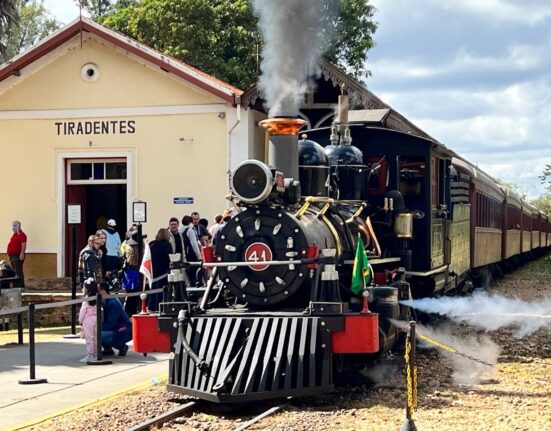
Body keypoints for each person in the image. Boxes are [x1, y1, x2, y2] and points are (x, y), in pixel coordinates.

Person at [99, 282, 132, 356]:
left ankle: (122, 347)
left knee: (99, 334)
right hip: (118, 328)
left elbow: (110, 324)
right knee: (97, 332)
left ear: (102, 292)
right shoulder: (107, 302)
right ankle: (108, 349)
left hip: (124, 330)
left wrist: (97, 328)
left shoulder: (112, 303)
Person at [148, 228, 172, 311]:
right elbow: (169, 257)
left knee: (152, 288)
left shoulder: (152, 244)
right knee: (161, 289)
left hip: (152, 269)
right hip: (163, 269)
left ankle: (151, 306)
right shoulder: (167, 245)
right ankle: (159, 306)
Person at [121, 228, 140, 316]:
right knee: (132, 296)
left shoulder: (126, 245)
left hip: (130, 273)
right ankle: (129, 313)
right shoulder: (132, 247)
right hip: (132, 273)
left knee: (131, 296)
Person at [79, 278, 98, 363]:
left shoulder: (86, 299)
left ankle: (90, 354)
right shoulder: (98, 297)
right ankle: (97, 353)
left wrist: (80, 320)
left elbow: (83, 311)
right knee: (96, 337)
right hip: (96, 318)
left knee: (89, 338)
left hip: (87, 320)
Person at [182, 215, 202, 286]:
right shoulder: (190, 230)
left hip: (185, 254)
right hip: (191, 254)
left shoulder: (181, 230)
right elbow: (194, 244)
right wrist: (199, 256)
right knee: (195, 272)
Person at [7, 220, 27, 287]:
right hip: (12, 255)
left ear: (18, 226)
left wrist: (22, 254)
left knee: (18, 271)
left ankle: (20, 287)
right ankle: (16, 286)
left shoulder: (22, 235)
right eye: (12, 225)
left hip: (17, 255)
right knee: (15, 271)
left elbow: (23, 245)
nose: (13, 227)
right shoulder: (15, 234)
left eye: (14, 225)